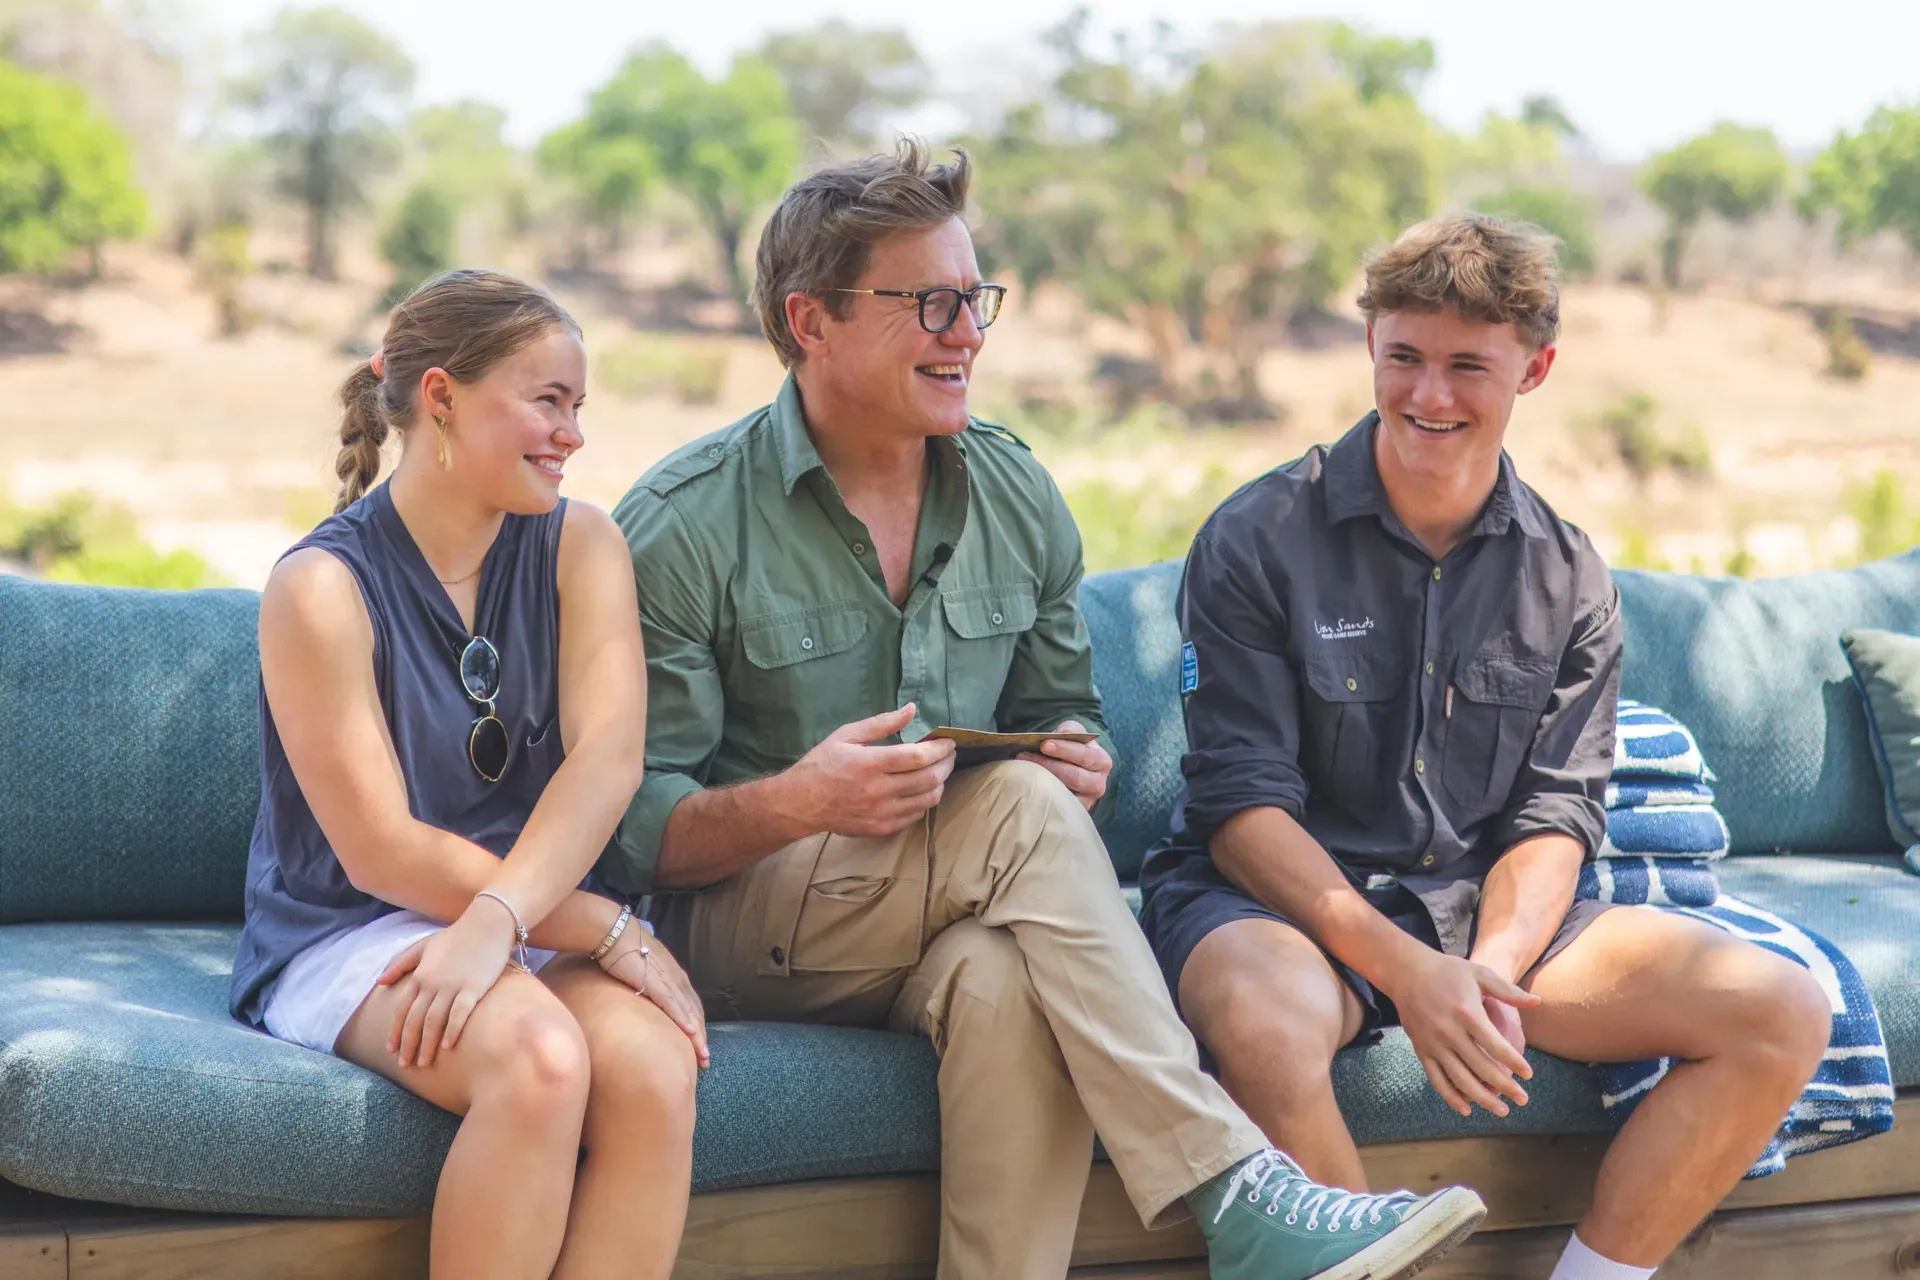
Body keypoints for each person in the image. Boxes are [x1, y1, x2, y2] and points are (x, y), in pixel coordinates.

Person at [600, 141, 1486, 1280]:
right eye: (928, 302)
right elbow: (632, 834)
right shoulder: (683, 522)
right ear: (811, 321)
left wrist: (1082, 758)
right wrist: (801, 801)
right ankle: (1236, 1190)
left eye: (975, 299)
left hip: (941, 918)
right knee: (1018, 809)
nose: (965, 332)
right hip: (735, 930)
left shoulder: (1016, 491)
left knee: (1010, 975)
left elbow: (1064, 711)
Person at [1138, 214, 1834, 1280]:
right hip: (1276, 909)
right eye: (1404, 357)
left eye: (1468, 365)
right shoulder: (1254, 538)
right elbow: (1241, 813)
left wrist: (1487, 974)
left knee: (1781, 1008)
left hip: (1479, 912)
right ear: (1369, 343)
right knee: (1263, 1018)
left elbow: (1555, 817)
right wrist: (1411, 973)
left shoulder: (1569, 573)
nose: (1429, 394)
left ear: (1535, 369)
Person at [230, 269, 708, 1280]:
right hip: (358, 924)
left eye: (579, 406)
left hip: (526, 907)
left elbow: (609, 758)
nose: (572, 434)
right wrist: (591, 923)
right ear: (442, 397)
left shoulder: (582, 543)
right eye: (547, 400)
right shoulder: (320, 587)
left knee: (656, 1074)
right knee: (541, 1062)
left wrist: (504, 919)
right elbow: (378, 849)